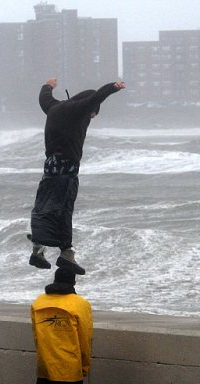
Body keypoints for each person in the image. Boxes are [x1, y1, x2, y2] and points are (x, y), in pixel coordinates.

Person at [29, 77, 126, 275]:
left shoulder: (54, 107)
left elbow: (44, 98)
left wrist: (47, 85)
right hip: (67, 168)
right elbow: (96, 97)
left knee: (44, 206)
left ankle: (38, 251)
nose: (89, 118)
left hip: (50, 166)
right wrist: (113, 88)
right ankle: (66, 255)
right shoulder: (77, 109)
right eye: (91, 116)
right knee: (64, 210)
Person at [31, 268, 93, 384]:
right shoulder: (80, 304)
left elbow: (36, 335)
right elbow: (85, 337)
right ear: (73, 283)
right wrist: (85, 365)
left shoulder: (38, 303)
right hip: (70, 365)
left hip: (45, 366)